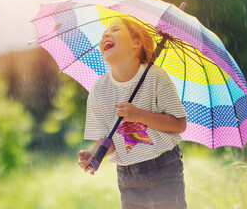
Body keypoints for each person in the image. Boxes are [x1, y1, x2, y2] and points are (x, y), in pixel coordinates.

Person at [77, 18, 188, 208]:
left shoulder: (155, 76)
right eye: (104, 32)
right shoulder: (100, 89)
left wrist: (139, 115)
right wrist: (94, 154)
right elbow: (110, 139)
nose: (106, 34)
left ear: (136, 43)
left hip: (163, 167)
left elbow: (179, 124)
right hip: (127, 174)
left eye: (115, 30)